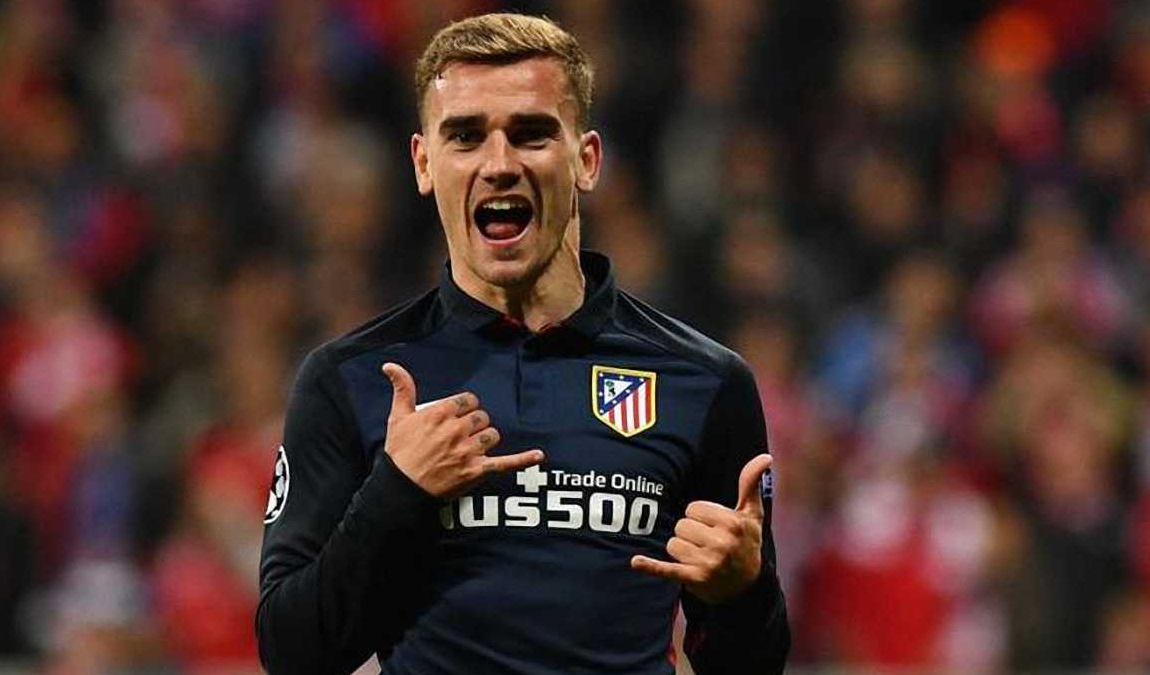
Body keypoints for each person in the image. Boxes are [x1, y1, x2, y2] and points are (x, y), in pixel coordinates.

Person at [256, 13, 789, 675]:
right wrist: (397, 491)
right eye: (466, 136)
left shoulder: (704, 382)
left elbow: (751, 664)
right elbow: (292, 654)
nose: (499, 164)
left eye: (531, 133)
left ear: (586, 160)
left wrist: (742, 593)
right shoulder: (352, 378)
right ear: (424, 163)